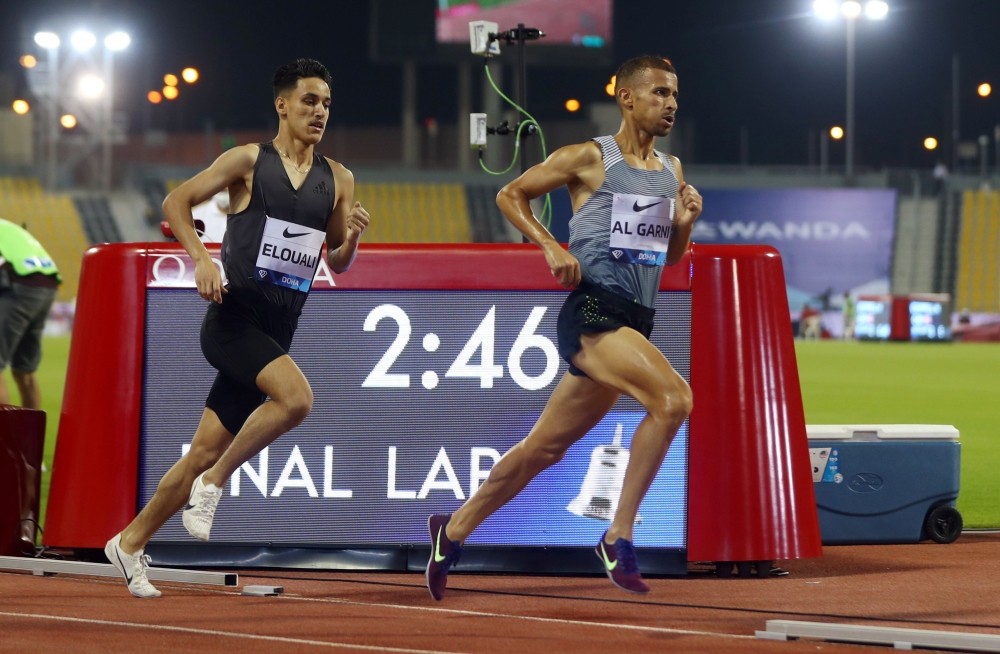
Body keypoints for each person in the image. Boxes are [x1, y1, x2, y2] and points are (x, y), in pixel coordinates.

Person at [426, 55, 702, 599]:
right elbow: (511, 193)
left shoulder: (672, 171)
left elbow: (667, 260)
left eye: (675, 95)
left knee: (542, 450)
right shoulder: (587, 158)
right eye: (659, 93)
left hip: (635, 320)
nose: (670, 104)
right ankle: (617, 535)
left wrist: (684, 226)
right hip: (594, 313)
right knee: (674, 400)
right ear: (627, 97)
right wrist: (550, 243)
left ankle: (451, 532)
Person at [105, 58, 371, 598]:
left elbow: (337, 261)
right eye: (308, 101)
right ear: (282, 105)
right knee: (297, 400)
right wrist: (202, 259)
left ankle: (129, 543)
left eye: (325, 103)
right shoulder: (249, 160)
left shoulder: (338, 179)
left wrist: (355, 238)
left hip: (278, 329)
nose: (319, 111)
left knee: (202, 448)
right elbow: (175, 201)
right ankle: (216, 484)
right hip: (233, 318)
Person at [0, 219, 61, 410]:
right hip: (47, 283)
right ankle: (30, 437)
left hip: (18, 282)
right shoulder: (7, 226)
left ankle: (4, 438)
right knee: (23, 371)